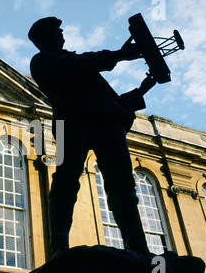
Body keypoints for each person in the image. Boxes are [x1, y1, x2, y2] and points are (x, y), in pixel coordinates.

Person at [28, 17, 157, 258]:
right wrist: (119, 54)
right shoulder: (44, 61)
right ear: (44, 37)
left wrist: (142, 89)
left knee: (123, 187)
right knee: (65, 182)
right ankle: (58, 248)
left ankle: (139, 248)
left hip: (106, 123)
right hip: (70, 124)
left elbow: (110, 102)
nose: (62, 33)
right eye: (57, 30)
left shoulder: (76, 64)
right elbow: (82, 63)